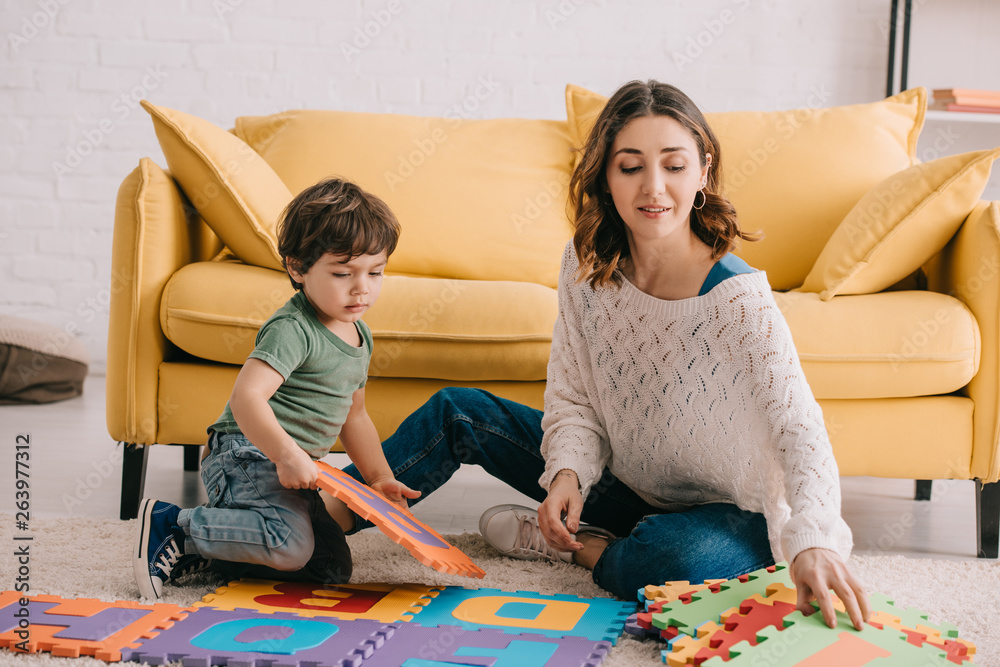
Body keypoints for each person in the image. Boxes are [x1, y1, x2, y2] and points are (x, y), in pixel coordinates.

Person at [338, 79, 871, 630]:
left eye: (673, 165)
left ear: (703, 170)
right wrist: (568, 473)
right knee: (458, 411)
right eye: (631, 166)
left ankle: (579, 550)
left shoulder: (739, 300)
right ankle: (322, 521)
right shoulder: (586, 264)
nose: (654, 187)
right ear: (606, 176)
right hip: (620, 484)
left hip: (723, 515)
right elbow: (572, 394)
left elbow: (799, 427)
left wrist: (814, 539)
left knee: (679, 564)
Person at [133, 178, 420, 599]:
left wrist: (379, 478)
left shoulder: (360, 335)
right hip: (246, 453)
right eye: (343, 273)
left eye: (375, 273)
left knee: (330, 570)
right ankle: (173, 525)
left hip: (295, 469)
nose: (362, 287)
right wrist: (285, 454)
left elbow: (354, 415)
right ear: (297, 268)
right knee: (289, 545)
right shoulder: (293, 329)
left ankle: (217, 548)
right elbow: (246, 398)